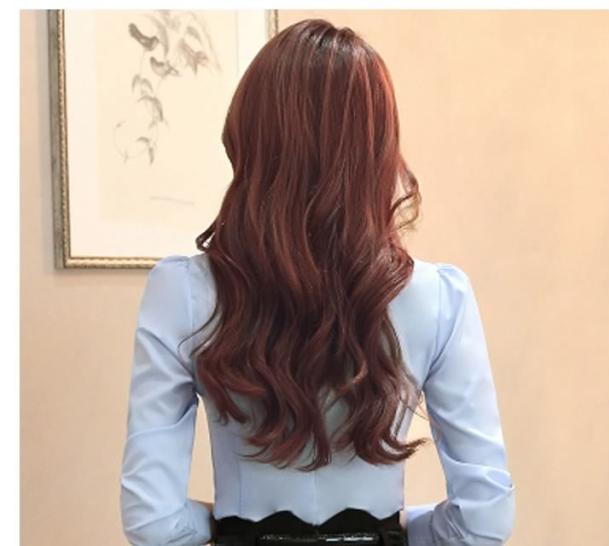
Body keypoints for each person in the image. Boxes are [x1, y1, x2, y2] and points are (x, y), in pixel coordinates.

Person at [119, 17, 516, 546]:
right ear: (378, 147)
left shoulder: (183, 292)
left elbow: (153, 523)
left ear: (248, 136)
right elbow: (483, 522)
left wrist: (237, 529)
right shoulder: (440, 297)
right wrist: (387, 529)